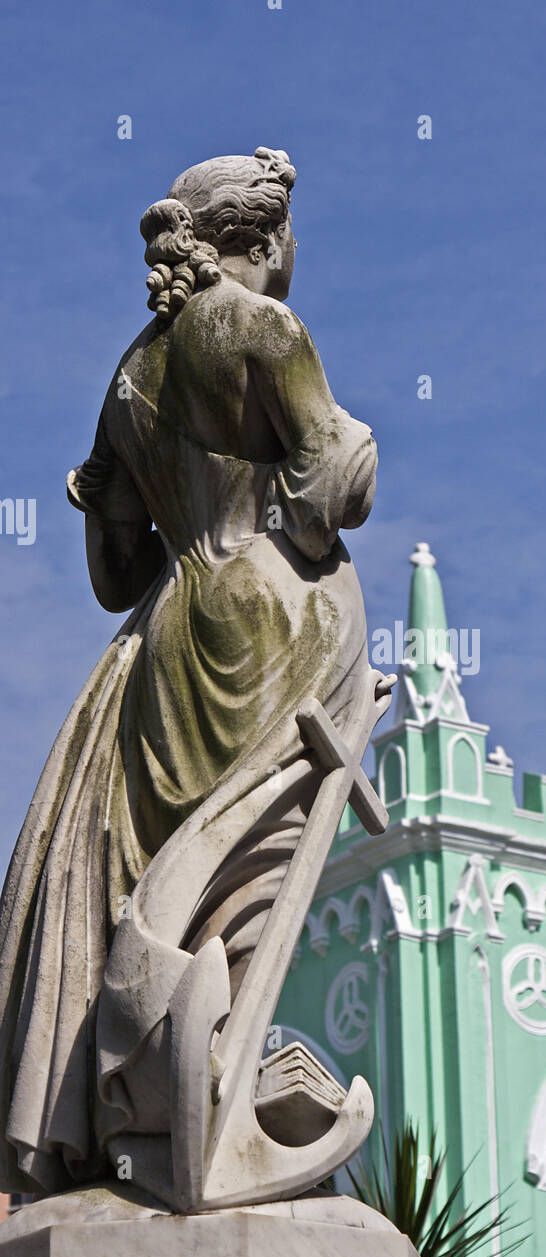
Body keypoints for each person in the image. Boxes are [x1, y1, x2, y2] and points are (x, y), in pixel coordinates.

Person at [0, 147, 379, 1194]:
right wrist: (353, 453)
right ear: (261, 242)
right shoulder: (261, 326)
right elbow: (325, 490)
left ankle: (150, 1109)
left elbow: (118, 573)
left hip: (167, 636)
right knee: (250, 864)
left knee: (167, 869)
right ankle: (218, 1086)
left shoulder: (130, 375)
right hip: (267, 620)